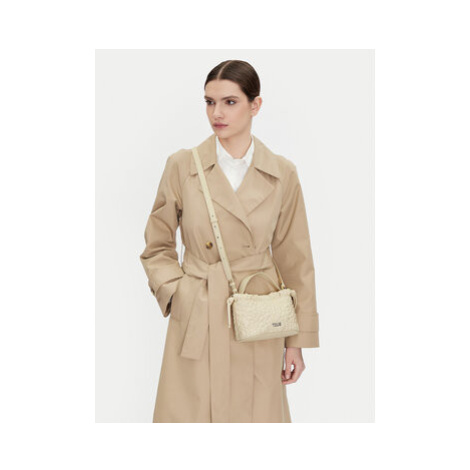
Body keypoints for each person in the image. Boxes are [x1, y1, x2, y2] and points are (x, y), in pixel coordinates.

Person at [139, 59, 320, 423]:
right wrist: (179, 293)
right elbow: (157, 245)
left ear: (256, 105)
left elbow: (296, 258)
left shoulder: (282, 173)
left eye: (230, 102)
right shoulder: (182, 166)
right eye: (209, 102)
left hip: (257, 317)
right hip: (198, 314)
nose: (217, 113)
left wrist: (297, 341)